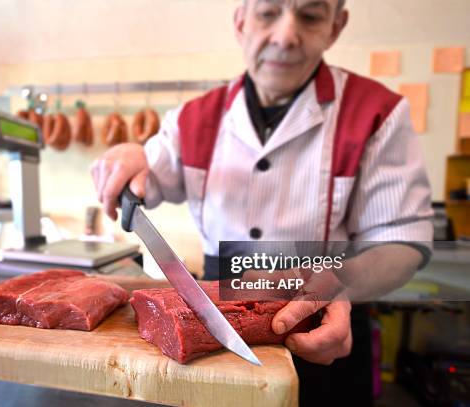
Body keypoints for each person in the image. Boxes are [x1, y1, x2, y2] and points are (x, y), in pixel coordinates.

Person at [91, 0, 433, 405]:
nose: (286, 35)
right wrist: (133, 159)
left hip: (325, 330)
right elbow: (148, 171)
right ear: (240, 23)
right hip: (211, 328)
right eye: (269, 12)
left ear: (335, 27)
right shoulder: (191, 119)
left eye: (309, 15)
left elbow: (402, 243)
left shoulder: (378, 112)